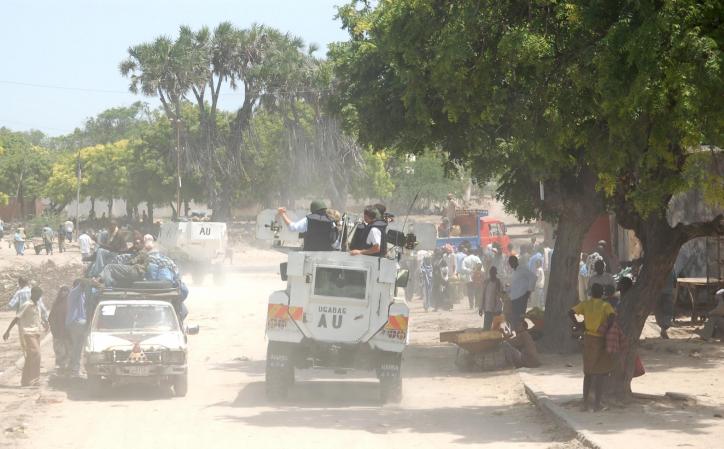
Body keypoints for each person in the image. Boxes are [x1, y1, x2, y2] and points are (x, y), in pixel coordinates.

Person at [568, 283, 616, 412]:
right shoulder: (605, 305)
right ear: (602, 293)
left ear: (590, 292)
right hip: (601, 340)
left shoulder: (585, 304)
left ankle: (585, 404)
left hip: (588, 339)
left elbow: (570, 312)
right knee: (600, 373)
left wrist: (579, 325)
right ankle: (597, 404)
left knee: (588, 373)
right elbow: (612, 316)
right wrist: (606, 327)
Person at [3, 286, 45, 386]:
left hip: (36, 332)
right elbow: (17, 318)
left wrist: (44, 323)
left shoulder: (37, 305)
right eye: (37, 295)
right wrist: (8, 331)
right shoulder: (27, 304)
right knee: (36, 354)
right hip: (27, 333)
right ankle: (35, 380)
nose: (38, 297)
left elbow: (36, 318)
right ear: (33, 293)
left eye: (40, 296)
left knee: (30, 357)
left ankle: (25, 381)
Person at [65, 282, 88, 378]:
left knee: (78, 347)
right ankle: (75, 369)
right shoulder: (73, 293)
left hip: (80, 323)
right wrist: (86, 282)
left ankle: (75, 368)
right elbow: (80, 286)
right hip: (76, 323)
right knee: (77, 348)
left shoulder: (82, 295)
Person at [508, 256, 537, 329]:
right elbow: (515, 285)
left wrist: (528, 291)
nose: (510, 264)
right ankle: (515, 332)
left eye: (511, 262)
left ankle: (520, 332)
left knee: (520, 318)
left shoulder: (523, 269)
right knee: (514, 318)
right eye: (509, 262)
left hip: (521, 298)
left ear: (516, 261)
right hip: (514, 299)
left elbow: (533, 277)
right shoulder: (514, 272)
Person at [48, 286, 71, 373]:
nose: (64, 293)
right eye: (62, 291)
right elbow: (51, 317)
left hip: (68, 332)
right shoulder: (56, 303)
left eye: (66, 291)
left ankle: (67, 368)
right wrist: (53, 329)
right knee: (59, 350)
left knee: (68, 350)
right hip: (58, 331)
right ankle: (60, 367)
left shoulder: (71, 303)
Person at [655, 270, 677, 339]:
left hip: (660, 293)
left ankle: (663, 329)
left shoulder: (671, 270)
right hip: (666, 293)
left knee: (660, 312)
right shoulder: (672, 270)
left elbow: (675, 283)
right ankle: (663, 329)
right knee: (666, 312)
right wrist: (674, 294)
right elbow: (675, 284)